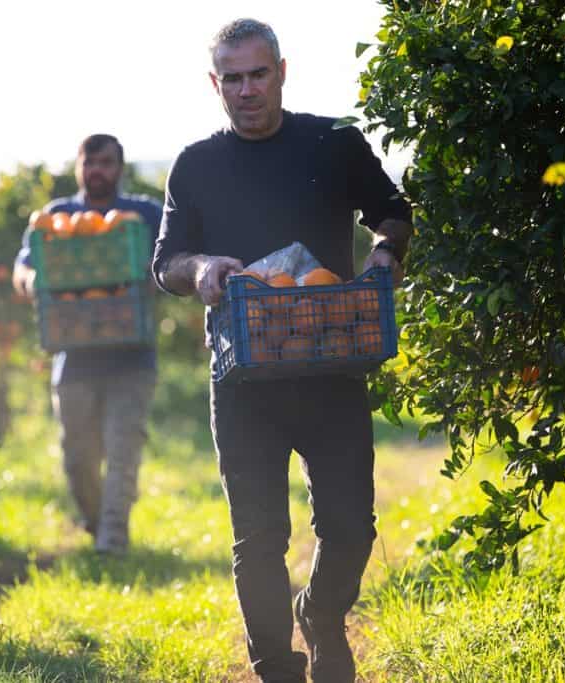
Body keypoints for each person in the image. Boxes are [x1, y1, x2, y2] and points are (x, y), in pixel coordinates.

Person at [151, 19, 413, 683]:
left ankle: (321, 612)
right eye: (231, 78)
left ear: (282, 71)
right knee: (260, 538)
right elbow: (165, 261)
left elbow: (392, 207)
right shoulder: (196, 164)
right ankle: (276, 668)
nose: (246, 90)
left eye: (257, 74)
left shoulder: (332, 143)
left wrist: (384, 252)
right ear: (215, 84)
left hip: (331, 364)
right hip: (244, 380)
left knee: (352, 526)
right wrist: (201, 267)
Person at [13, 133, 162, 555]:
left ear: (121, 168)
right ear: (78, 167)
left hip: (132, 356)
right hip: (73, 356)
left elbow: (167, 265)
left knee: (122, 451)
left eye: (107, 163)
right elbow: (23, 268)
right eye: (90, 162)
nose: (98, 171)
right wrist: (32, 282)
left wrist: (152, 278)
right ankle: (96, 522)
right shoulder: (56, 217)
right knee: (77, 458)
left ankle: (113, 542)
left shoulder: (143, 214)